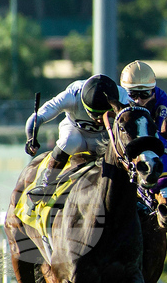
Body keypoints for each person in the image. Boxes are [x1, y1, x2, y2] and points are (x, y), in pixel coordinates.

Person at [23, 74, 129, 204]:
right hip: (75, 131)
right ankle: (46, 183)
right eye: (95, 115)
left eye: (104, 115)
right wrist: (31, 137)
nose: (99, 120)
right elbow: (38, 116)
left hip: (106, 137)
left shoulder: (124, 98)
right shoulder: (72, 95)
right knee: (70, 141)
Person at [120, 60, 167, 202]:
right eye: (133, 94)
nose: (139, 100)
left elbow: (159, 129)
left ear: (152, 91)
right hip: (123, 136)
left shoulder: (161, 98)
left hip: (148, 133)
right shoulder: (119, 97)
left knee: (165, 148)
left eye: (144, 94)